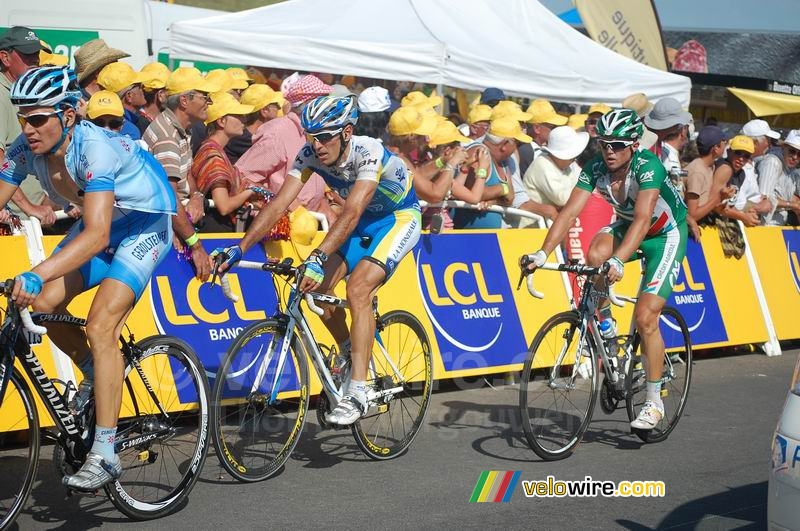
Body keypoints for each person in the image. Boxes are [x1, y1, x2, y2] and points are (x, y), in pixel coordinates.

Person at [2, 66, 176, 489]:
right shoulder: (24, 148)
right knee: (41, 306)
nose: (28, 127)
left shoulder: (94, 147)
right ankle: (95, 374)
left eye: (38, 117)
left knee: (101, 325)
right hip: (108, 221)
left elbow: (97, 235)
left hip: (144, 224)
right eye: (22, 116)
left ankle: (105, 450)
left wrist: (35, 272)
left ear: (66, 115)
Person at [213, 95, 420, 426]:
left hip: (396, 219)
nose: (317, 145)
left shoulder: (369, 153)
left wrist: (318, 255)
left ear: (347, 132)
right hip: (362, 222)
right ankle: (350, 350)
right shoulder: (309, 154)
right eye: (311, 136)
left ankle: (358, 389)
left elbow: (351, 211)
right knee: (317, 291)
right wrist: (240, 248)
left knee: (358, 289)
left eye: (325, 136)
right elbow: (279, 204)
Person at [523, 109, 688, 431]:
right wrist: (542, 252)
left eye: (617, 144)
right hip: (629, 227)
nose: (609, 151)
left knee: (645, 318)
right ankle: (607, 327)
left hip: (664, 234)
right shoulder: (596, 167)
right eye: (603, 144)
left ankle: (654, 402)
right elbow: (569, 211)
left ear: (634, 145)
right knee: (595, 253)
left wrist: (619, 260)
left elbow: (643, 219)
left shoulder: (647, 166)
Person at [143, 67, 217, 280]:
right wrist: (195, 245)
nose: (209, 102)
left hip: (175, 219)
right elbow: (169, 198)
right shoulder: (168, 136)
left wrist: (196, 196)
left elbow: (185, 173)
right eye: (205, 97)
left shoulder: (182, 128)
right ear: (185, 101)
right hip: (164, 224)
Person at [235, 74, 336, 223]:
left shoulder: (313, 133)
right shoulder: (277, 133)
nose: (329, 108)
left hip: (310, 223)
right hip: (278, 227)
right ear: (309, 104)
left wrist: (322, 204)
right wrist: (285, 201)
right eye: (324, 101)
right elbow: (242, 177)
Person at [0, 26, 61, 226]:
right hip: (17, 221)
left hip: (34, 216)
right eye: (27, 54)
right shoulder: (1, 95)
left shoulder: (23, 95)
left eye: (36, 53)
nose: (35, 59)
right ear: (5, 58)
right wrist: (29, 207)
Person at [192, 93, 257, 232]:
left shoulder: (212, 149)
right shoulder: (213, 155)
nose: (244, 120)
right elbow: (224, 206)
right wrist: (251, 191)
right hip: (214, 232)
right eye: (238, 116)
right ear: (221, 121)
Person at [453, 117, 523, 229]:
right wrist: (501, 189)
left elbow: (510, 199)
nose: (516, 148)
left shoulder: (504, 162)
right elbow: (470, 193)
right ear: (504, 144)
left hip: (488, 238)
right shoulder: (478, 152)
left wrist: (494, 201)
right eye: (517, 143)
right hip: (465, 237)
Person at [522, 125, 589, 214]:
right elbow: (562, 199)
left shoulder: (565, 165)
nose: (574, 159)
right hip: (536, 224)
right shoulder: (542, 165)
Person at [684, 126, 736, 225]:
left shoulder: (709, 166)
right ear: (716, 148)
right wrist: (719, 197)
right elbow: (692, 215)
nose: (726, 145)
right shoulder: (697, 172)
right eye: (724, 142)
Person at [226, 83, 284, 164]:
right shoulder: (243, 140)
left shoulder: (242, 136)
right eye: (276, 105)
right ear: (265, 111)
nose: (279, 108)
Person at [96, 62, 151, 139]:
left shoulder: (95, 119)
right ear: (129, 96)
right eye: (140, 86)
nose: (144, 89)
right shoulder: (131, 131)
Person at [757, 129, 800, 225]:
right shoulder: (772, 162)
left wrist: (796, 204)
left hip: (777, 227)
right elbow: (763, 199)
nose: (795, 157)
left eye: (799, 154)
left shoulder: (790, 170)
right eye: (792, 151)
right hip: (763, 226)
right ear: (783, 147)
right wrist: (793, 205)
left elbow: (785, 195)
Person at [520, 99, 567, 176]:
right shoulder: (527, 151)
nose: (555, 130)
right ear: (537, 128)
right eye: (552, 127)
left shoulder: (533, 148)